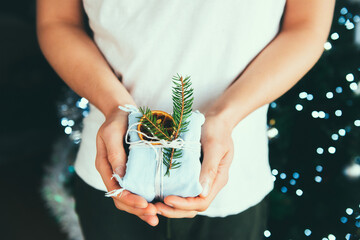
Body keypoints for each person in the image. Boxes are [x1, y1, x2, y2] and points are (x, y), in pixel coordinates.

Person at [36, 0, 335, 239]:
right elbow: (57, 21)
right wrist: (116, 107)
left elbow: (306, 26)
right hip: (113, 171)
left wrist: (225, 116)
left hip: (235, 175)